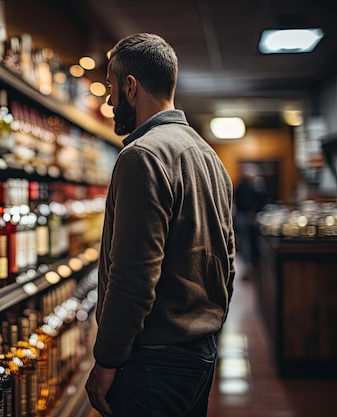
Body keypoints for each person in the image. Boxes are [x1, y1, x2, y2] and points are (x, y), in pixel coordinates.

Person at [85, 33, 236, 417]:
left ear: (131, 87)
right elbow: (227, 259)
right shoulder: (209, 156)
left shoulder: (143, 155)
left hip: (153, 360)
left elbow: (134, 274)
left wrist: (107, 359)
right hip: (199, 350)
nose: (109, 100)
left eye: (111, 87)